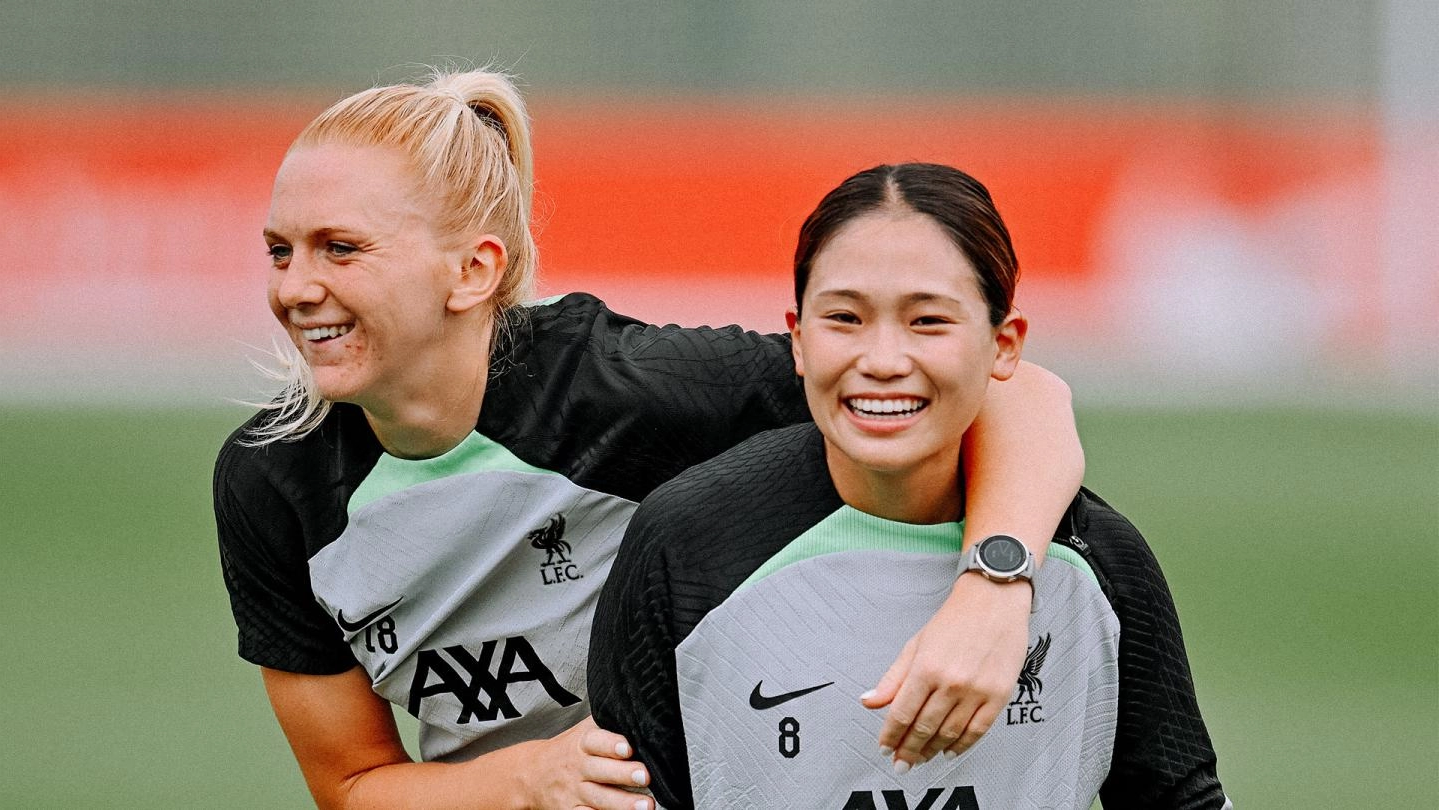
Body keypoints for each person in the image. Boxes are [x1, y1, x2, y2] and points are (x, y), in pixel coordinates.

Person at [213, 69, 1083, 810]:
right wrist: (532, 777)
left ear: (472, 271)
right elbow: (355, 785)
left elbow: (1014, 392)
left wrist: (992, 592)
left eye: (340, 249)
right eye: (280, 252)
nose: (297, 288)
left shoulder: (624, 386)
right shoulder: (273, 482)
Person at [588, 163, 1231, 809]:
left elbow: (1181, 797)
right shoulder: (689, 544)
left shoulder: (1098, 563)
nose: (884, 361)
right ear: (799, 338)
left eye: (928, 321)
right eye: (844, 317)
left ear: (1005, 344)